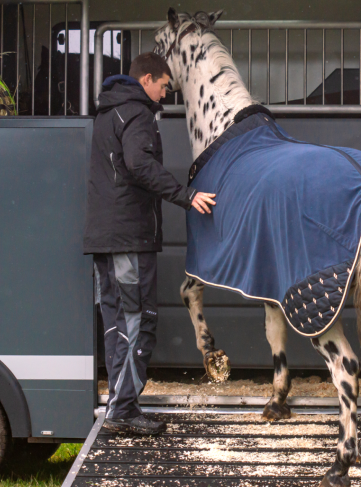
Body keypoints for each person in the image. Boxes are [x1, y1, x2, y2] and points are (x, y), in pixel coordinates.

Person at [84, 52, 216, 435]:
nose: (165, 93)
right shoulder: (138, 113)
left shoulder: (110, 112)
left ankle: (120, 404)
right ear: (146, 79)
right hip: (129, 236)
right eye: (163, 85)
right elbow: (139, 165)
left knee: (116, 321)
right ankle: (123, 411)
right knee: (138, 321)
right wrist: (186, 195)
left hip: (109, 237)